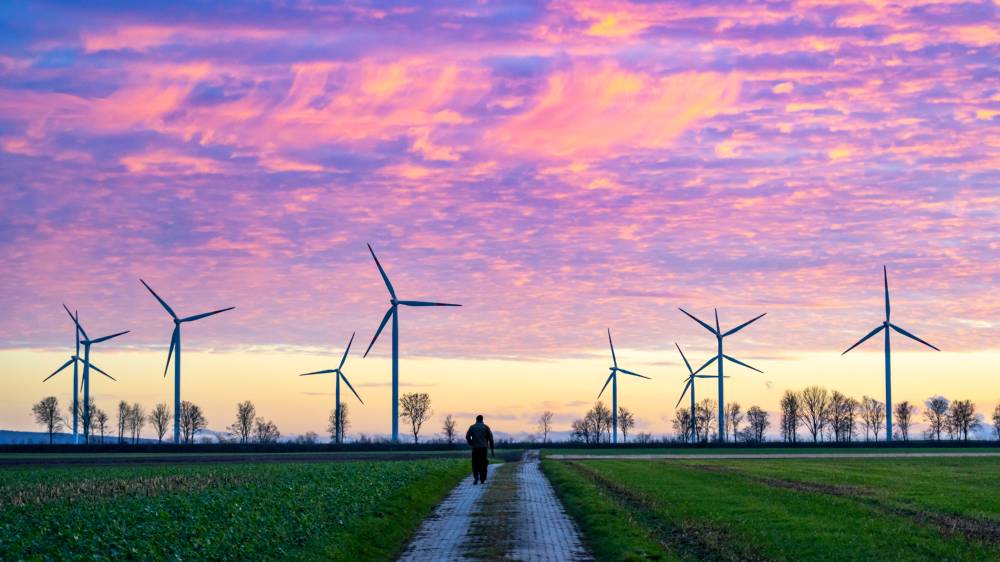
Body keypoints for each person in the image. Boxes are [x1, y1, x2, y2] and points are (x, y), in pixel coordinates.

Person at [465, 414, 494, 485]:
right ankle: (483, 479)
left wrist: (471, 443)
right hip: (483, 449)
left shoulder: (472, 427)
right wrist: (492, 450)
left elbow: (467, 436)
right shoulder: (486, 427)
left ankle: (476, 476)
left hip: (475, 448)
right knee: (483, 463)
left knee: (475, 463)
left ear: (476, 420)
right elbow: (491, 439)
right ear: (482, 420)